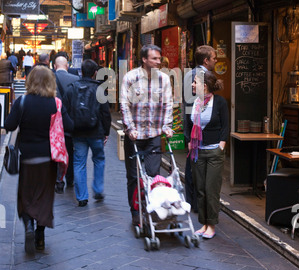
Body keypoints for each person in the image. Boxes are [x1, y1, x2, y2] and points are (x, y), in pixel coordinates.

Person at [4, 66, 74, 254]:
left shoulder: (23, 101)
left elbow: (9, 125)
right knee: (44, 197)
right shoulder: (56, 103)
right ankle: (40, 237)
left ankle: (28, 226)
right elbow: (70, 126)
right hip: (48, 158)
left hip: (27, 158)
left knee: (26, 195)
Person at [120, 44, 173, 226]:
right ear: (144, 59)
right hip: (134, 136)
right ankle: (135, 211)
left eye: (159, 58)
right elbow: (124, 105)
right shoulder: (130, 77)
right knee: (133, 176)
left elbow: (168, 104)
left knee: (153, 174)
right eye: (155, 59)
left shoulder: (164, 79)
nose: (159, 62)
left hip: (154, 135)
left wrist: (167, 126)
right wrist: (130, 127)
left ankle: (152, 208)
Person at [186, 70, 229, 239]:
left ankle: (211, 225)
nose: (192, 85)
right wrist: (189, 141)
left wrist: (221, 145)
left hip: (213, 151)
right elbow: (188, 123)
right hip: (197, 152)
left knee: (211, 189)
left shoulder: (219, 102)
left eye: (195, 82)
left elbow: (225, 125)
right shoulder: (193, 102)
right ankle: (203, 224)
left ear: (204, 85)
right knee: (201, 189)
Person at [64, 59, 111, 207]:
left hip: (78, 133)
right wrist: (106, 132)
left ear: (81, 71)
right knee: (98, 160)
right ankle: (97, 189)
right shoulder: (99, 89)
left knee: (79, 163)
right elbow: (105, 113)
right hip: (96, 132)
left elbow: (64, 111)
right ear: (95, 73)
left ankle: (82, 197)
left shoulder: (71, 88)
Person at [183, 45, 217, 211]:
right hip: (196, 128)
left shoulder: (190, 73)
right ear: (206, 60)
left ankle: (193, 201)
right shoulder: (201, 75)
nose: (215, 61)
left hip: (192, 127)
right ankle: (195, 202)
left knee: (192, 165)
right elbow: (193, 103)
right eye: (213, 58)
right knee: (195, 166)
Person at [54, 55, 79, 191]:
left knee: (56, 150)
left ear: (54, 66)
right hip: (70, 121)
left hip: (55, 123)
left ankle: (58, 180)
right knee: (70, 151)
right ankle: (70, 179)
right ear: (67, 66)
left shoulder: (49, 79)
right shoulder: (75, 79)